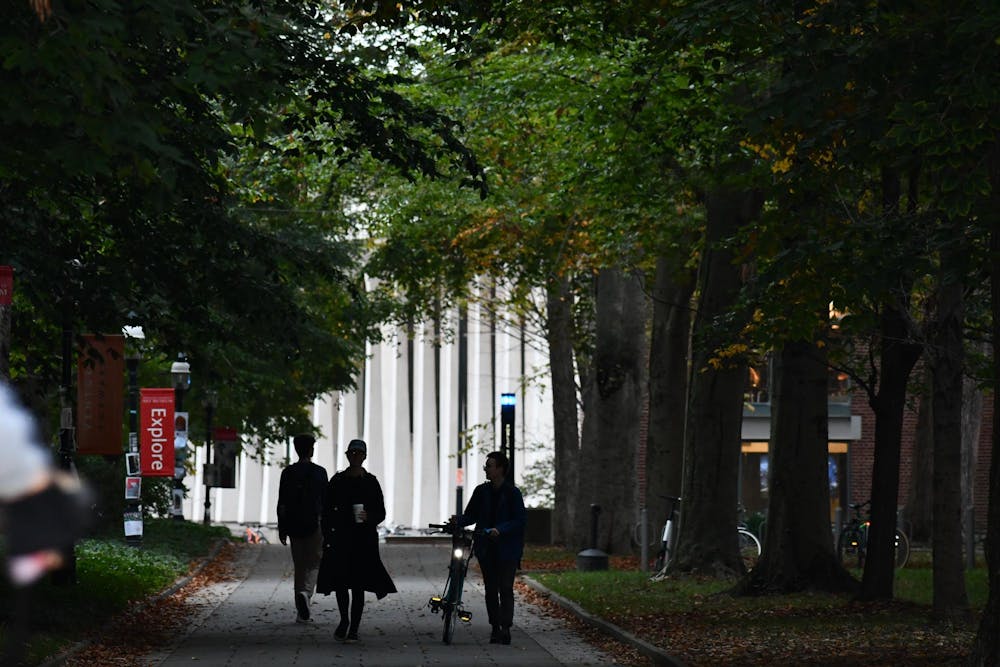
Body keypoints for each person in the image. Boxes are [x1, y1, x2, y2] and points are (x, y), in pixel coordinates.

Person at [316, 438, 396, 642]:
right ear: (347, 455)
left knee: (358, 585)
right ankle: (344, 620)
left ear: (364, 456)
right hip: (341, 538)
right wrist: (327, 534)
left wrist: (370, 517)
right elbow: (326, 510)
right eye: (352, 453)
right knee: (341, 583)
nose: (355, 456)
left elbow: (381, 511)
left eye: (358, 453)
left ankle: (354, 627)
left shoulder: (371, 482)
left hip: (363, 539)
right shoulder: (337, 481)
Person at [452, 450, 525, 645]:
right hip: (486, 548)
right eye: (486, 466)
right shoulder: (481, 491)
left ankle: (506, 627)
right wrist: (457, 521)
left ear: (500, 469)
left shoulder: (512, 493)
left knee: (505, 588)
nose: (486, 468)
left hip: (507, 549)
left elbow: (519, 520)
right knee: (491, 589)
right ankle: (495, 627)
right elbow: (471, 515)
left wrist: (500, 530)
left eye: (489, 465)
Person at [276, 433, 328, 623]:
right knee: (315, 562)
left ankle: (300, 607)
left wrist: (282, 528)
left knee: (299, 564)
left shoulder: (288, 473)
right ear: (311, 450)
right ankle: (306, 594)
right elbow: (327, 502)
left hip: (293, 524)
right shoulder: (320, 473)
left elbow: (282, 502)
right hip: (315, 523)